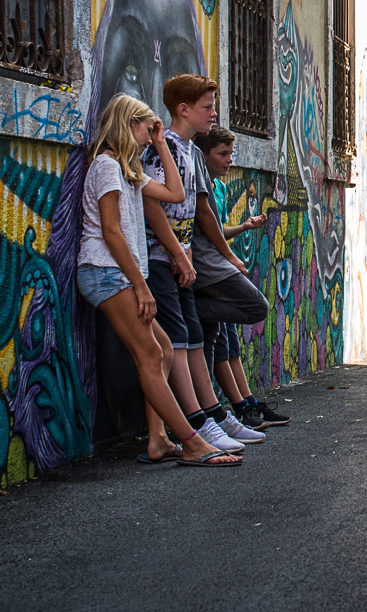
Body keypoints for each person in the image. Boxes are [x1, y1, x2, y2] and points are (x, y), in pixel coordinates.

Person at [75, 93, 239, 467]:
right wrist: (141, 286)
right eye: (147, 130)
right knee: (150, 353)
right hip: (106, 272)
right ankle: (193, 442)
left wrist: (163, 143)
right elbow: (111, 232)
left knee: (162, 351)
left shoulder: (128, 169)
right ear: (128, 124)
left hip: (121, 274)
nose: (151, 138)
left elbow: (175, 193)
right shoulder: (104, 166)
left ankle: (158, 439)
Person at [142, 74, 254, 452]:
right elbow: (153, 204)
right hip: (161, 260)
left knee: (191, 335)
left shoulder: (188, 150)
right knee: (178, 337)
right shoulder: (166, 149)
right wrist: (177, 251)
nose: (213, 113)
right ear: (183, 109)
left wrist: (186, 251)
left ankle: (213, 415)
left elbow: (192, 209)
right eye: (206, 107)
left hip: (179, 259)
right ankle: (196, 422)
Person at [196, 125, 289, 429]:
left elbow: (217, 229)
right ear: (204, 155)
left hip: (217, 269)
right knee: (255, 308)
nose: (228, 160)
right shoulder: (199, 185)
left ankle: (243, 404)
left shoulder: (218, 188)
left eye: (231, 153)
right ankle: (230, 409)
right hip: (210, 272)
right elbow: (208, 230)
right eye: (222, 154)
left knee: (226, 343)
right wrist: (231, 257)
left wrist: (245, 227)